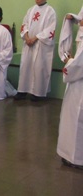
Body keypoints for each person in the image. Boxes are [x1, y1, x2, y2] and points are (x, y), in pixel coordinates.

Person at [15, 0, 56, 101]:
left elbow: (50, 29)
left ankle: (38, 93)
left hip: (40, 45)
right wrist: (27, 37)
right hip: (28, 43)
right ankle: (22, 90)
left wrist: (36, 38)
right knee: (25, 66)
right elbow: (25, 24)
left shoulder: (50, 11)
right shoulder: (31, 10)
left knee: (39, 68)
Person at [57, 41, 83, 170]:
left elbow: (78, 66)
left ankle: (76, 158)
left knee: (76, 120)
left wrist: (69, 61)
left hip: (80, 88)